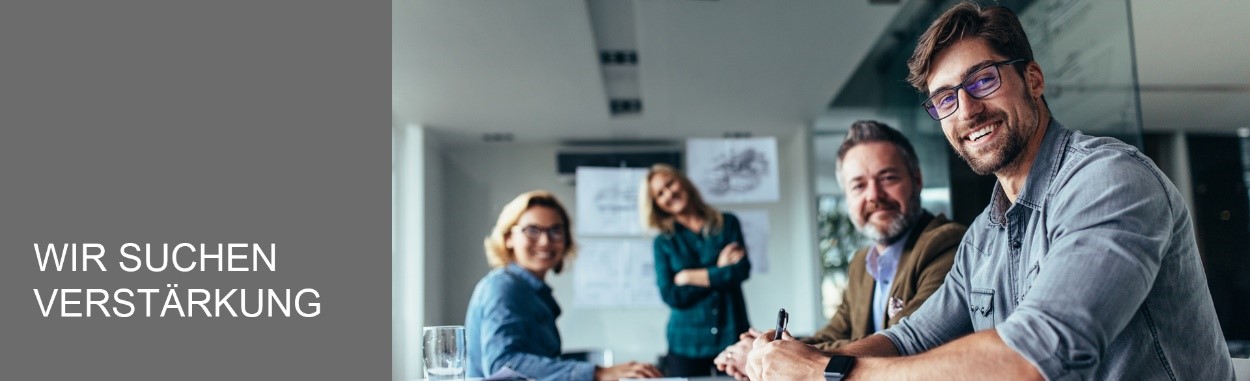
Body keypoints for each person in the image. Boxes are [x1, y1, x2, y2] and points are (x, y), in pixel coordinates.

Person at [745, 2, 1234, 380]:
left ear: (1033, 78)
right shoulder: (985, 236)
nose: (967, 110)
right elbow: (911, 337)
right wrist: (802, 358)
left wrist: (826, 372)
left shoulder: (1109, 180)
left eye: (982, 79)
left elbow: (1038, 357)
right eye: (945, 99)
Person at [713, 121, 966, 380]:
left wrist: (774, 357)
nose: (874, 195)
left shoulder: (945, 243)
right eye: (858, 185)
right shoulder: (861, 263)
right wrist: (771, 349)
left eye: (888, 178)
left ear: (917, 180)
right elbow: (835, 333)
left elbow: (905, 341)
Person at [466, 191, 663, 380]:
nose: (545, 241)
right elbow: (503, 364)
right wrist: (597, 373)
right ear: (509, 238)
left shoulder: (532, 292)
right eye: (532, 230)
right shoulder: (504, 288)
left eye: (555, 231)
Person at [641, 164, 751, 377]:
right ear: (656, 204)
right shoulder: (663, 242)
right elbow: (672, 295)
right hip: (686, 343)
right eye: (660, 194)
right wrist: (718, 269)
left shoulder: (727, 223)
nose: (669, 193)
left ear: (682, 181)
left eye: (669, 184)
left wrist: (689, 276)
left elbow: (740, 271)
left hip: (732, 333)